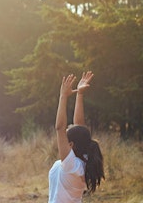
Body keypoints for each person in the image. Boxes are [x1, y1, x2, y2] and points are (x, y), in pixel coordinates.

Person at [49, 71, 104, 203]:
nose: (67, 128)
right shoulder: (83, 160)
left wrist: (63, 96)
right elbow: (79, 126)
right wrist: (79, 94)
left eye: (67, 134)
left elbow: (59, 128)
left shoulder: (71, 164)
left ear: (71, 144)